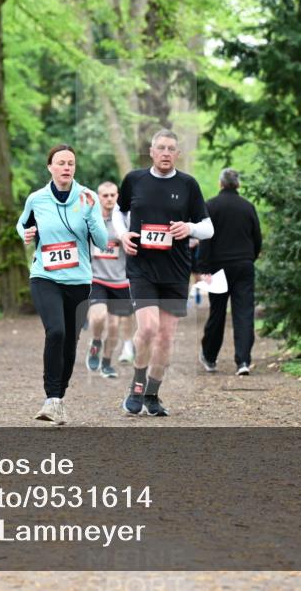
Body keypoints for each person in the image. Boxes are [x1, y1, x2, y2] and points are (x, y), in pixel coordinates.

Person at [113, 129, 213, 416]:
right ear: (152, 151)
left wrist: (190, 228)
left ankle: (153, 394)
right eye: (161, 148)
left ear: (177, 153)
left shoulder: (188, 185)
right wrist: (122, 235)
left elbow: (208, 227)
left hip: (176, 270)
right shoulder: (135, 180)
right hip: (142, 267)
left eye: (171, 148)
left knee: (166, 337)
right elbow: (118, 213)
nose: (166, 153)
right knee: (147, 328)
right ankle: (136, 385)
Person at [17, 144, 108, 425]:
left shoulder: (88, 198)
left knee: (70, 343)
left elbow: (103, 242)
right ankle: (51, 398)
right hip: (45, 276)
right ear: (50, 167)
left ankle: (59, 397)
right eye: (61, 163)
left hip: (79, 281)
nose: (66, 167)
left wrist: (92, 216)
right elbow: (21, 225)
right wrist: (27, 233)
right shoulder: (37, 199)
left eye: (71, 163)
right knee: (55, 331)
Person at [198, 168, 262, 376]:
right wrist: (249, 258)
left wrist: (204, 268)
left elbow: (206, 239)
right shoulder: (248, 207)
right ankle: (243, 361)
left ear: (220, 184)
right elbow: (257, 237)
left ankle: (209, 357)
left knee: (217, 312)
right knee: (243, 312)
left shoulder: (211, 206)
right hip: (244, 264)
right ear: (238, 185)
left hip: (218, 267)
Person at [84, 181, 135, 379]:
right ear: (98, 197)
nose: (109, 199)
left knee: (114, 327)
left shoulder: (124, 220)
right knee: (98, 317)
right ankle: (96, 341)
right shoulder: (91, 219)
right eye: (104, 195)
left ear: (118, 196)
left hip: (120, 280)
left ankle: (106, 363)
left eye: (113, 195)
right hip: (96, 278)